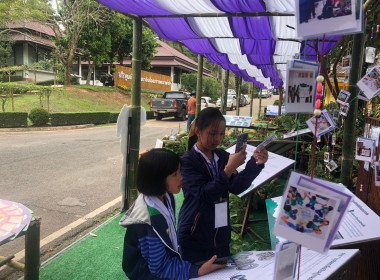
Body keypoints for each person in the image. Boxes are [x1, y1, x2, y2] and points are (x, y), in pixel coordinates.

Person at [177, 108, 268, 264]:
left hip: (220, 234)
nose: (217, 139)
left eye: (221, 134)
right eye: (212, 134)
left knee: (220, 270)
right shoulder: (188, 162)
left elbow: (236, 187)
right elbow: (205, 195)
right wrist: (228, 170)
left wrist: (255, 164)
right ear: (198, 132)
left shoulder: (222, 156)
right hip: (195, 234)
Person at [120, 149, 224, 280]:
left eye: (180, 171)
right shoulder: (150, 222)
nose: (181, 177)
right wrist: (196, 271)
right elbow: (159, 267)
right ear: (157, 179)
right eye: (175, 174)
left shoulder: (166, 196)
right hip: (147, 274)